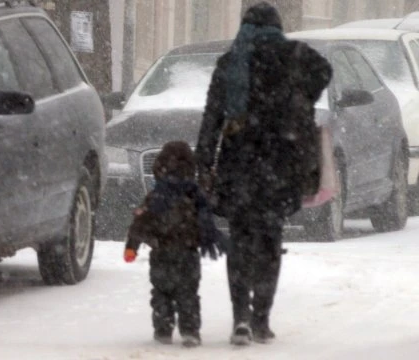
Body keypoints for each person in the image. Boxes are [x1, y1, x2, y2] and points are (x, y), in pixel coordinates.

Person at [195, 2, 332, 345]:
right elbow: (325, 71)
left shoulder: (230, 63)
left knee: (240, 241)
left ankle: (240, 316)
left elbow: (212, 116)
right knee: (270, 239)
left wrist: (204, 162)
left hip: (239, 163)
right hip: (282, 162)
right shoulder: (296, 55)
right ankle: (261, 319)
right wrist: (300, 99)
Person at [123, 141, 227, 348]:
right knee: (188, 294)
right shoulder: (195, 196)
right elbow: (206, 220)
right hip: (188, 255)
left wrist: (131, 247)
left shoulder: (155, 197)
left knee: (161, 294)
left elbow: (140, 223)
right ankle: (190, 331)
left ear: (159, 167)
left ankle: (163, 329)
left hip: (161, 254)